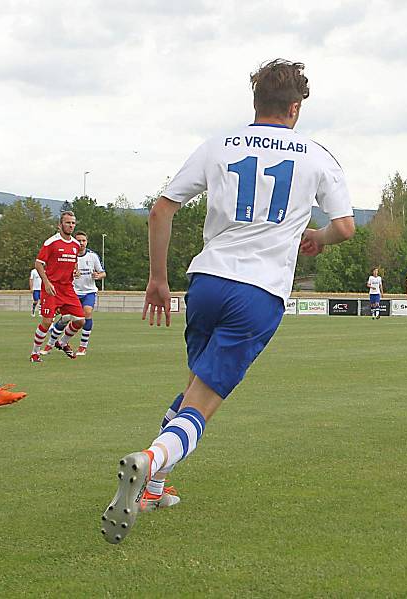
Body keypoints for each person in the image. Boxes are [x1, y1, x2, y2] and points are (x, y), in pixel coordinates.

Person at [101, 59, 355, 544]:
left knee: (196, 384)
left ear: (256, 102)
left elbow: (160, 210)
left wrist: (158, 279)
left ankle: (153, 488)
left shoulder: (219, 144)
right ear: (296, 108)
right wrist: (318, 237)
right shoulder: (318, 155)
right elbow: (344, 226)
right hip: (258, 293)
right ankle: (150, 460)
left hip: (207, 283)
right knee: (205, 403)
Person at [29, 211, 85, 362]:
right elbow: (38, 263)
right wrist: (46, 283)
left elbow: (73, 262)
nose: (71, 225)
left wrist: (75, 269)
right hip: (51, 288)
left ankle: (63, 342)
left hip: (67, 289)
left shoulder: (75, 245)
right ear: (60, 225)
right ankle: (34, 354)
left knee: (80, 320)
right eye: (67, 223)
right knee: (47, 322)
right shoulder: (51, 242)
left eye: (73, 223)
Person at [42, 231, 106, 356]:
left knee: (87, 313)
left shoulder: (93, 256)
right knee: (65, 318)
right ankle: (50, 344)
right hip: (71, 291)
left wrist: (98, 276)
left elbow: (103, 272)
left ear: (87, 241)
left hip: (89, 292)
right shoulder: (69, 253)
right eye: (79, 241)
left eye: (84, 240)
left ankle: (82, 346)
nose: (81, 243)